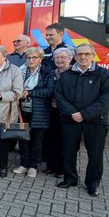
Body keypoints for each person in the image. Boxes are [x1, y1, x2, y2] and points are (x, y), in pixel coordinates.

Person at [55, 43, 109, 197]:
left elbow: (107, 100)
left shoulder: (104, 74)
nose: (83, 57)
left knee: (95, 154)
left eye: (87, 54)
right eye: (80, 54)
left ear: (92, 55)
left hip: (96, 121)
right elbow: (59, 96)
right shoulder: (66, 75)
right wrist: (73, 113)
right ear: (74, 57)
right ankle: (70, 178)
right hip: (70, 119)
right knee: (68, 151)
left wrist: (84, 114)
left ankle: (93, 184)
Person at [12, 47, 55, 178]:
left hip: (39, 111)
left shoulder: (47, 71)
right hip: (22, 109)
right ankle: (24, 164)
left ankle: (33, 166)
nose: (31, 60)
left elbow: (50, 91)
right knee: (23, 138)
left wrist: (30, 93)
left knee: (37, 139)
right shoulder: (20, 71)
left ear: (40, 58)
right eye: (28, 57)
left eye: (34, 57)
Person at [0, 45, 24, 178]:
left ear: (4, 56)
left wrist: (0, 95)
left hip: (5, 111)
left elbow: (17, 93)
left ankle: (3, 167)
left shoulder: (15, 70)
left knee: (2, 141)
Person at [44, 47, 74, 178]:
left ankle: (62, 169)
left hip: (66, 112)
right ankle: (51, 166)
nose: (60, 60)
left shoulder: (74, 73)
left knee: (64, 141)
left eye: (63, 57)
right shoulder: (52, 73)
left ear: (70, 59)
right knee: (50, 139)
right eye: (57, 58)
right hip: (51, 110)